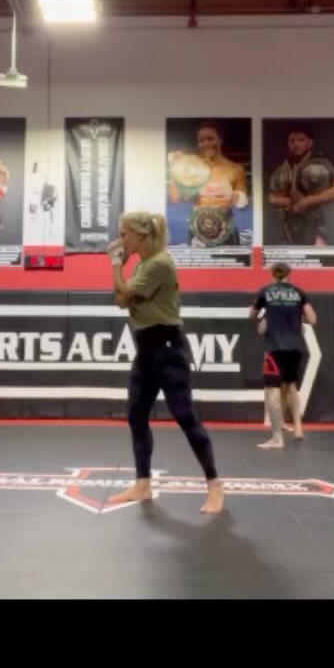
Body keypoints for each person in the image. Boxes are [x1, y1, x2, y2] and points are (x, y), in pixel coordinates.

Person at [106, 212, 224, 513]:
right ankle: (143, 484)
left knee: (184, 416)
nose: (121, 240)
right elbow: (120, 300)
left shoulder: (159, 263)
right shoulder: (143, 264)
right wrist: (122, 275)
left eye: (124, 234)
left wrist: (116, 264)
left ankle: (214, 485)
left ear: (140, 235)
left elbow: (124, 292)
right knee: (136, 416)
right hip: (146, 348)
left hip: (168, 347)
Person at [250, 265, 318, 448]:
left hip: (275, 348)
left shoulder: (266, 292)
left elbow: (252, 314)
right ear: (289, 275)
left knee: (272, 390)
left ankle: (277, 438)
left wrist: (266, 318)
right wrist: (296, 319)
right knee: (291, 386)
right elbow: (312, 319)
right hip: (296, 347)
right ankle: (298, 428)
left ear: (272, 275)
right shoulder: (299, 293)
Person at [167, 124, 250, 248]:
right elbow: (175, 197)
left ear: (220, 140)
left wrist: (229, 196)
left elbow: (242, 203)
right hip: (197, 230)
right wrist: (175, 167)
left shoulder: (235, 169)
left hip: (225, 229)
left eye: (210, 139)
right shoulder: (192, 168)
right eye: (201, 141)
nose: (206, 144)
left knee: (229, 261)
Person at [268, 129, 334, 246]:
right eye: (292, 141)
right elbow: (272, 197)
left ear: (310, 142)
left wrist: (308, 201)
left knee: (317, 254)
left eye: (301, 140)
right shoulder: (284, 167)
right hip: (289, 226)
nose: (296, 144)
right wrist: (287, 201)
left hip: (316, 224)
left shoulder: (321, 163)